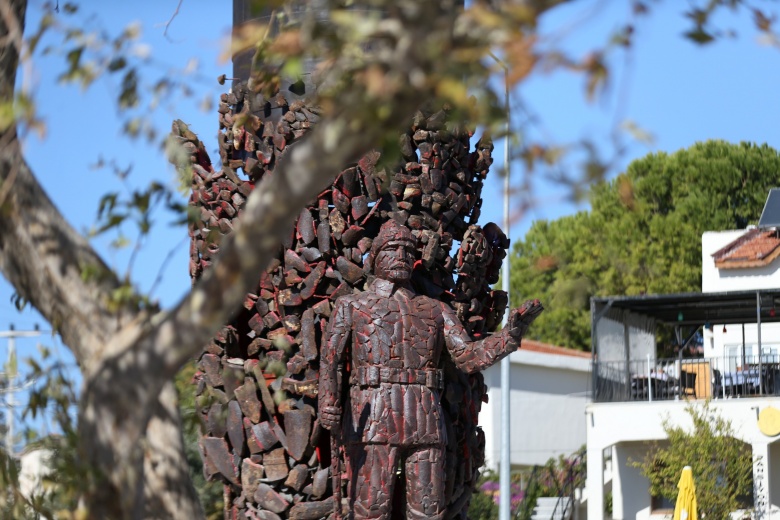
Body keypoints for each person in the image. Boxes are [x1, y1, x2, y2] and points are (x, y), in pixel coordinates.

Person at [319, 220, 543, 519]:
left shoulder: (436, 309)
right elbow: (330, 359)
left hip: (424, 416)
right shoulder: (353, 306)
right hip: (372, 414)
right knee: (371, 508)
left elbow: (466, 357)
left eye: (407, 251)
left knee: (428, 511)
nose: (401, 255)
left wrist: (509, 335)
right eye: (392, 249)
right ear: (375, 258)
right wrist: (328, 402)